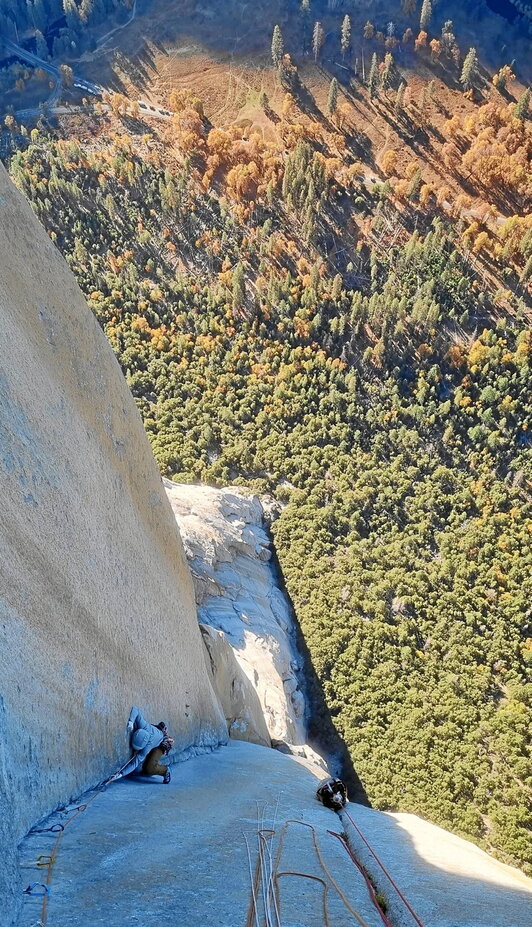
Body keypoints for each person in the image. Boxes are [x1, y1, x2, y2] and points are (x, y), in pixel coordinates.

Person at [110, 706, 174, 784]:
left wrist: (121, 774)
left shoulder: (147, 747)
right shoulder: (144, 726)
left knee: (149, 769)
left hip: (160, 744)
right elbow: (135, 709)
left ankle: (165, 770)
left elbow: (135, 763)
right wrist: (131, 722)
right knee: (137, 770)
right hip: (154, 735)